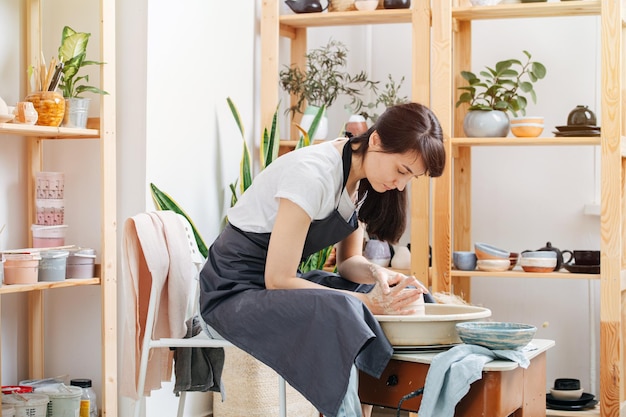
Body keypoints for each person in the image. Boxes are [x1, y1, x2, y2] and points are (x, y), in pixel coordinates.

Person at [198, 102, 446, 417]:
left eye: (412, 178)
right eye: (402, 170)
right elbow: (279, 279)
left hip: (269, 289)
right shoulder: (313, 173)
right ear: (376, 141)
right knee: (348, 307)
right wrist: (366, 304)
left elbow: (348, 263)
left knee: (410, 295)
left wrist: (378, 275)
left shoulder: (361, 184)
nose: (400, 185)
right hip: (230, 294)